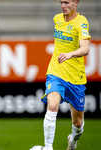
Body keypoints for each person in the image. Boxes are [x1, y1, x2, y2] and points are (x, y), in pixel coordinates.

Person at [31, 0, 91, 150]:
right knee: (52, 106)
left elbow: (85, 49)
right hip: (56, 72)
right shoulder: (57, 19)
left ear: (76, 3)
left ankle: (72, 142)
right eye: (61, 2)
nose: (62, 6)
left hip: (76, 78)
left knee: (78, 123)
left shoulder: (81, 22)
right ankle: (48, 147)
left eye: (66, 2)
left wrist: (70, 54)